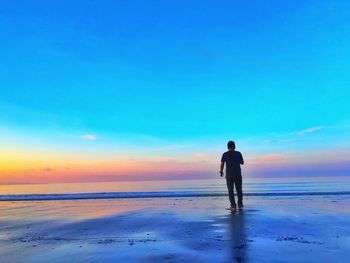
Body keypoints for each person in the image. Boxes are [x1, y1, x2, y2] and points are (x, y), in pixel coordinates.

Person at [220, 140, 244, 212]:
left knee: (230, 191)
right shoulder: (238, 153)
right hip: (237, 174)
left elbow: (222, 164)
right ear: (234, 146)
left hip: (229, 175)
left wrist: (221, 171)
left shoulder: (225, 154)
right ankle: (240, 204)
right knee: (239, 190)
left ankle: (233, 206)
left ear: (228, 147)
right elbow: (242, 162)